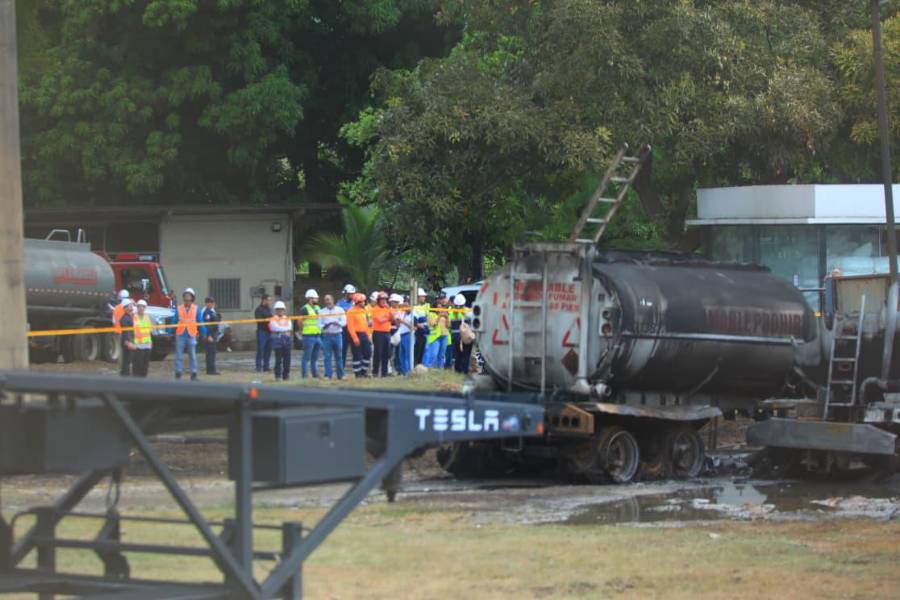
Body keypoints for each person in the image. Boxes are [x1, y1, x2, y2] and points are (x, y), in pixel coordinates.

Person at [173, 287, 200, 380]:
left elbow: (200, 321)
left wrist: (204, 333)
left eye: (189, 296)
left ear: (192, 298)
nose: (187, 298)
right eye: (186, 296)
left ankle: (193, 374)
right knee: (179, 355)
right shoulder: (179, 308)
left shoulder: (196, 309)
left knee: (192, 355)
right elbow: (174, 320)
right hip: (180, 334)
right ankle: (178, 373)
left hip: (191, 335)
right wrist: (169, 332)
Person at [319, 294, 346, 380]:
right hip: (327, 336)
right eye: (326, 300)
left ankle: (340, 375)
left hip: (337, 335)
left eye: (329, 299)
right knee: (327, 356)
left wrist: (338, 323)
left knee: (339, 356)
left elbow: (344, 321)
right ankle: (328, 375)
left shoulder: (340, 310)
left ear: (333, 300)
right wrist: (325, 326)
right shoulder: (321, 312)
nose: (328, 301)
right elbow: (319, 324)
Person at [346, 293, 372, 378]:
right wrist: (355, 338)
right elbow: (350, 327)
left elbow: (367, 324)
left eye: (364, 301)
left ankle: (363, 371)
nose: (364, 303)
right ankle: (358, 374)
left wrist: (368, 335)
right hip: (356, 334)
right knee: (357, 355)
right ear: (357, 302)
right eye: (362, 301)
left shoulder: (365, 311)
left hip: (364, 334)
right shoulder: (351, 311)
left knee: (368, 353)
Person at [299, 289, 322, 378]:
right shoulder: (305, 309)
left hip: (317, 335)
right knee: (306, 357)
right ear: (310, 298)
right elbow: (300, 321)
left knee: (315, 358)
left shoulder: (318, 308)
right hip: (308, 336)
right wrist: (302, 331)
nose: (317, 300)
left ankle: (315, 374)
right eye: (316, 298)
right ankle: (304, 375)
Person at [370, 292, 393, 377]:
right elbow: (380, 320)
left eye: (385, 299)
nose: (384, 301)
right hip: (378, 333)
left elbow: (392, 319)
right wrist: (387, 318)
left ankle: (384, 373)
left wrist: (389, 310)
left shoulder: (387, 308)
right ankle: (375, 372)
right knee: (378, 353)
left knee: (386, 353)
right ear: (378, 300)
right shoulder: (375, 309)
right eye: (382, 299)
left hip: (387, 333)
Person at [269, 301, 293, 381]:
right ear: (276, 310)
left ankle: (286, 375)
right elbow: (275, 328)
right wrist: (284, 330)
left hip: (286, 340)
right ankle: (278, 376)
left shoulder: (287, 318)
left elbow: (289, 327)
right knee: (278, 360)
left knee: (287, 359)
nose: (280, 311)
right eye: (278, 309)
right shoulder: (273, 319)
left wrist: (282, 329)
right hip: (277, 341)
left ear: (284, 310)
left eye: (281, 309)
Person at [390, 294, 412, 376]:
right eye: (392, 302)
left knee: (400, 354)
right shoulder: (390, 310)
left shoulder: (403, 310)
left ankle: (401, 370)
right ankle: (394, 370)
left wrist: (402, 305)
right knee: (392, 354)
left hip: (401, 333)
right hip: (392, 332)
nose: (394, 303)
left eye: (396, 302)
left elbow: (409, 309)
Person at [200, 296, 222, 376]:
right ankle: (211, 370)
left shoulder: (213, 311)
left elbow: (217, 320)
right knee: (210, 353)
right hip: (210, 334)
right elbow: (207, 325)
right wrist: (208, 335)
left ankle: (212, 369)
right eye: (210, 302)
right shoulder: (206, 312)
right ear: (206, 303)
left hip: (214, 334)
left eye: (212, 302)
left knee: (212, 352)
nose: (212, 304)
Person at [131, 299, 153, 377]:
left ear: (145, 308)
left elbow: (150, 330)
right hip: (138, 345)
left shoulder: (147, 317)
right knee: (137, 364)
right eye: (139, 307)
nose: (141, 308)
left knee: (145, 365)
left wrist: (150, 343)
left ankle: (143, 379)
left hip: (147, 344)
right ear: (137, 307)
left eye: (143, 307)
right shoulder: (134, 317)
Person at [445, 294, 467, 369]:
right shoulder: (464, 311)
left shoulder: (451, 311)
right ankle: (461, 368)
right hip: (463, 335)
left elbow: (449, 325)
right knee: (462, 353)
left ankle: (457, 368)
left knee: (456, 353)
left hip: (454, 335)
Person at [338, 284, 356, 369]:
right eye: (351, 294)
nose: (352, 296)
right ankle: (341, 367)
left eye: (353, 294)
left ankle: (356, 368)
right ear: (346, 294)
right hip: (344, 329)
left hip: (353, 328)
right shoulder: (339, 303)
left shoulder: (355, 303)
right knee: (343, 349)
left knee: (355, 349)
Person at [254, 294, 273, 372]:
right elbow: (259, 319)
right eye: (268, 300)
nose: (269, 301)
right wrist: (268, 318)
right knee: (260, 349)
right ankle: (258, 366)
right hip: (262, 331)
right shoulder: (258, 309)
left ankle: (266, 366)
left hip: (269, 331)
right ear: (264, 300)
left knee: (268, 350)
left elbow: (270, 317)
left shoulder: (269, 309)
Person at [412, 288, 430, 365]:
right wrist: (419, 325)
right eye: (423, 296)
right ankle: (415, 366)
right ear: (418, 297)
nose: (424, 298)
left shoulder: (423, 307)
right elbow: (413, 320)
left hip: (423, 332)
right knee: (417, 351)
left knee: (422, 351)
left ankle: (419, 366)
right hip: (417, 332)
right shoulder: (414, 307)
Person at [118, 299, 135, 376]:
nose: (131, 307)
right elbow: (126, 332)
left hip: (128, 341)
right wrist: (127, 342)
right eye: (130, 305)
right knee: (126, 360)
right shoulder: (125, 318)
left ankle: (125, 375)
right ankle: (125, 376)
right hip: (127, 341)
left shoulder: (128, 317)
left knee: (127, 360)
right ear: (125, 308)